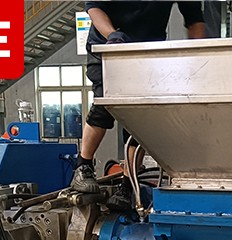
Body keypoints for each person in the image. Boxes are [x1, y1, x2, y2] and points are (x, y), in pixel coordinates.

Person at [72, 1, 206, 205]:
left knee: (139, 119)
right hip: (107, 48)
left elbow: (194, 18)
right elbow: (94, 7)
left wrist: (197, 57)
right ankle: (83, 166)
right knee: (104, 108)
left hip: (145, 52)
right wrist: (112, 35)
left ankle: (128, 185)